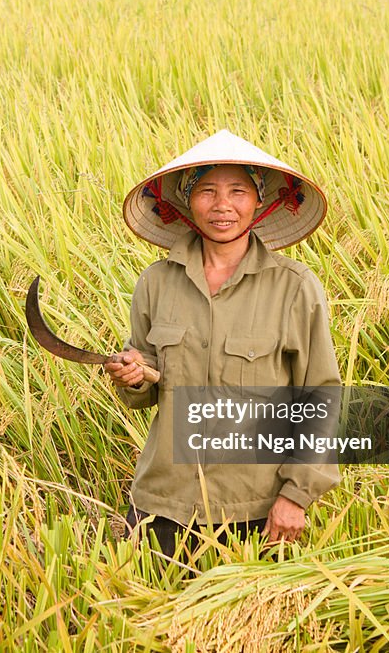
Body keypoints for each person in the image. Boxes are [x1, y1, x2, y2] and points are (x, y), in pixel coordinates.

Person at [104, 130, 342, 557]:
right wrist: (132, 376)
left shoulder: (294, 288)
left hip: (254, 508)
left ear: (259, 202)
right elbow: (144, 387)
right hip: (163, 502)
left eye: (238, 191)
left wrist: (296, 495)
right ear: (188, 201)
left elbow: (321, 398)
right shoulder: (157, 283)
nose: (222, 205)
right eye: (207, 191)